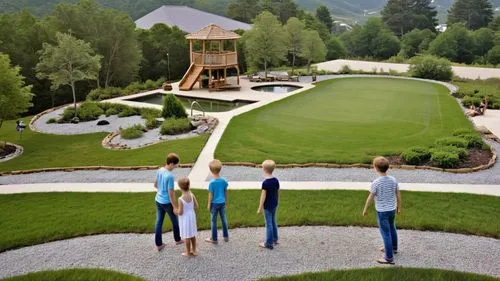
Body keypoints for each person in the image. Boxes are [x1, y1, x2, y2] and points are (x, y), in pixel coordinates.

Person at [362, 156, 401, 264]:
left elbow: (370, 197)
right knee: (392, 228)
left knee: (385, 233)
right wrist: (399, 207)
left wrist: (365, 209)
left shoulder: (376, 182)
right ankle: (393, 248)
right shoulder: (393, 180)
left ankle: (388, 258)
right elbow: (398, 194)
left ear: (375, 168)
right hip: (392, 210)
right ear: (387, 167)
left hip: (382, 212)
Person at [154, 153, 183, 251]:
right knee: (175, 221)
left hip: (158, 200)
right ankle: (178, 240)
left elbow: (155, 185)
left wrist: (161, 190)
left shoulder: (160, 170)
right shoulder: (170, 176)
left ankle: (159, 245)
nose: (176, 166)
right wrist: (174, 206)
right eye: (176, 165)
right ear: (171, 163)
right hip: (167, 202)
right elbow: (171, 193)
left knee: (159, 222)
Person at [205, 159, 229, 244]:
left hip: (214, 204)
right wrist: (226, 201)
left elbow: (210, 195)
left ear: (211, 171)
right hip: (222, 203)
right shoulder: (224, 181)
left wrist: (208, 205)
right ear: (220, 169)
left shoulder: (212, 183)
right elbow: (226, 191)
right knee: (224, 219)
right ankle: (226, 236)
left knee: (213, 221)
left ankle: (214, 239)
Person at [257, 160, 280, 250]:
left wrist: (259, 208)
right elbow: (277, 192)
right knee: (273, 221)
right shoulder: (276, 180)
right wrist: (277, 201)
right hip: (274, 204)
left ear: (265, 170)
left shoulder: (265, 183)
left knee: (268, 224)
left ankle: (268, 243)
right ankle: (275, 238)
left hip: (267, 206)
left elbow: (263, 197)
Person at [176, 177, 199, 257]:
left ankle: (188, 252)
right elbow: (196, 206)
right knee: (192, 234)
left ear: (179, 187)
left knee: (186, 236)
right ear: (189, 185)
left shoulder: (180, 199)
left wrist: (176, 211)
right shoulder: (192, 195)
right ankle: (194, 250)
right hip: (192, 216)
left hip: (185, 218)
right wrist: (190, 209)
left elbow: (181, 212)